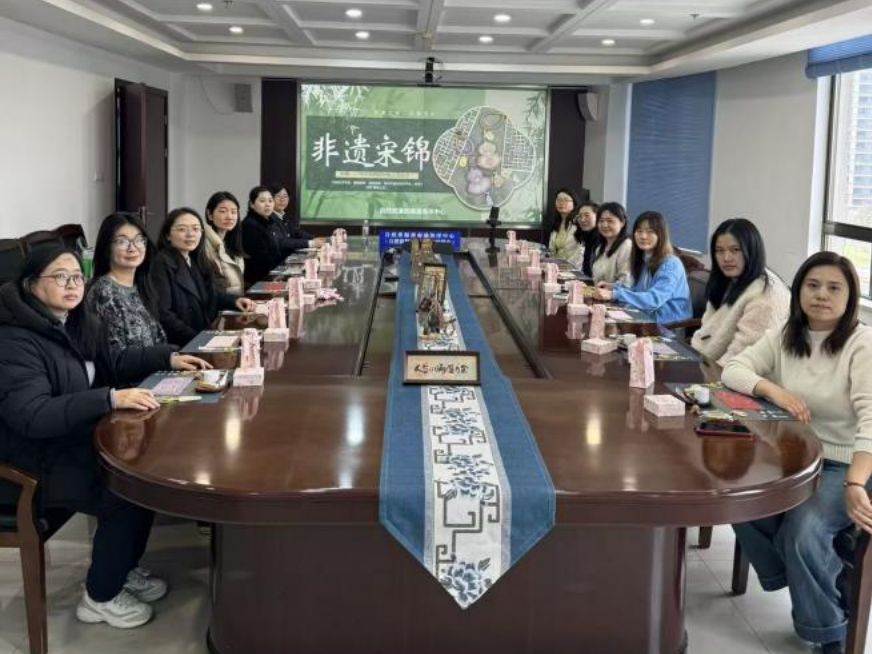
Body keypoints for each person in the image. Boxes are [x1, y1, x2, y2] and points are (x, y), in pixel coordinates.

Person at [0, 246, 207, 629]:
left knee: (145, 467)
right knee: (126, 489)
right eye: (59, 277)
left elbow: (111, 362)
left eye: (77, 276)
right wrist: (108, 398)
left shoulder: (74, 321)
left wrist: (168, 357)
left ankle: (122, 568)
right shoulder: (14, 340)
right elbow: (33, 415)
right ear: (30, 285)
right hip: (30, 461)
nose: (72, 285)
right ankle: (100, 596)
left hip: (72, 439)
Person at [722, 252, 872, 654]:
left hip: (850, 463)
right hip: (796, 454)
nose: (822, 294)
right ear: (799, 290)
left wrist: (856, 483)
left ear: (850, 297)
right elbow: (733, 369)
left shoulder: (863, 343)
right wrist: (774, 390)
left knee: (804, 532)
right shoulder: (786, 335)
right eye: (813, 285)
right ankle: (805, 579)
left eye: (834, 288)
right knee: (737, 498)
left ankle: (829, 632)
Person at [691, 218, 790, 366]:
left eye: (735, 250)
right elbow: (707, 331)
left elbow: (739, 359)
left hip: (736, 374)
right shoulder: (729, 280)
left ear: (752, 250)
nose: (726, 258)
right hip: (705, 361)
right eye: (719, 251)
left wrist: (700, 373)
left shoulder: (767, 296)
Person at [152, 208, 255, 346]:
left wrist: (235, 301)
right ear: (167, 235)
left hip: (202, 335)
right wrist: (198, 339)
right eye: (182, 229)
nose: (190, 234)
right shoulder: (161, 263)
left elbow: (210, 294)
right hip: (182, 344)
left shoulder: (193, 258)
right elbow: (164, 314)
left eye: (196, 229)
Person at [87, 213, 167, 356]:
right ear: (107, 247)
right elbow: (119, 359)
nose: (132, 248)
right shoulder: (104, 292)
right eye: (122, 241)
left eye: (139, 240)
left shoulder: (141, 286)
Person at [594, 211, 691, 323]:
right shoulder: (644, 257)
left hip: (667, 325)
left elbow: (654, 300)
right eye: (639, 231)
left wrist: (614, 294)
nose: (643, 236)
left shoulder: (671, 264)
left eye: (650, 232)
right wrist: (614, 287)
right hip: (644, 316)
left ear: (661, 235)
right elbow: (637, 290)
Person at [242, 185, 323, 285]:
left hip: (274, 275)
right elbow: (261, 263)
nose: (267, 205)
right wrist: (285, 276)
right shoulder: (251, 225)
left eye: (270, 201)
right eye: (262, 201)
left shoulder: (266, 222)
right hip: (263, 281)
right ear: (251, 204)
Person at [203, 191, 246, 295]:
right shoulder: (203, 245)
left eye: (233, 212)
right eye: (223, 211)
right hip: (220, 303)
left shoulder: (231, 242)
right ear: (210, 215)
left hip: (235, 301)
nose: (229, 216)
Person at [590, 202, 632, 286]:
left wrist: (607, 286)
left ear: (622, 223)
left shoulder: (626, 245)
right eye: (601, 221)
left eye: (610, 221)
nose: (604, 225)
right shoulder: (600, 247)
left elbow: (626, 283)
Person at [546, 188, 582, 266]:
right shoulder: (556, 222)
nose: (561, 203)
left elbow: (581, 252)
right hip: (556, 267)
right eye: (559, 200)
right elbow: (551, 249)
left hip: (573, 268)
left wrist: (566, 266)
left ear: (574, 203)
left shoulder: (579, 222)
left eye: (566, 200)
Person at [575, 201, 600, 278]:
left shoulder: (601, 240)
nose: (582, 220)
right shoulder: (586, 237)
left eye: (587, 215)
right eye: (579, 216)